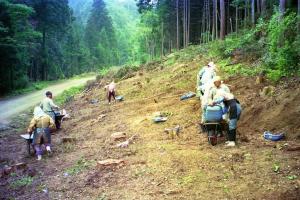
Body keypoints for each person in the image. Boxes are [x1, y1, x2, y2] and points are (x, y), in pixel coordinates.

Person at [210, 81, 242, 147]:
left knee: (232, 124)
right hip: (234, 107)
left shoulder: (220, 92)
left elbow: (219, 99)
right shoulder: (225, 95)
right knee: (229, 123)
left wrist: (213, 103)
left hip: (234, 108)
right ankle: (230, 140)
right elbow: (225, 108)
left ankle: (232, 142)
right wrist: (221, 114)